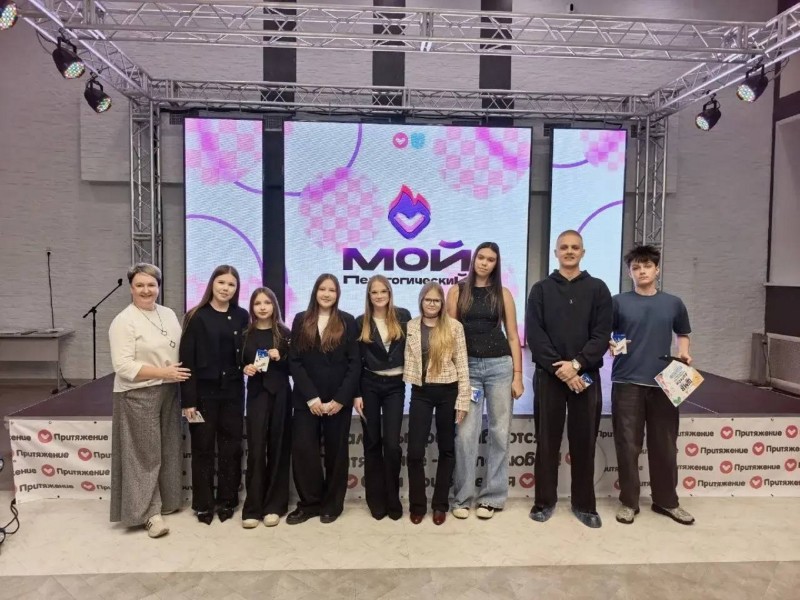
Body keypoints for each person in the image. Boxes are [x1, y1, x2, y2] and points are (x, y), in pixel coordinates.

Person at [525, 230, 612, 528]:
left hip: (585, 376)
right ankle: (544, 502)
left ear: (583, 252)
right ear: (556, 253)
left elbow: (601, 334)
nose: (570, 251)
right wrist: (561, 370)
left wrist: (576, 365)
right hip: (549, 376)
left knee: (584, 441)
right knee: (547, 441)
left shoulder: (598, 289)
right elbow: (535, 335)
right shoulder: (540, 290)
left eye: (575, 247)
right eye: (564, 247)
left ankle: (584, 505)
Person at [611, 245, 695, 526]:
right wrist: (613, 344)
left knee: (665, 445)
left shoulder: (673, 303)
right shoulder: (618, 302)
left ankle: (667, 501)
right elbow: (608, 335)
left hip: (665, 383)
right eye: (636, 267)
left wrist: (684, 353)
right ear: (629, 273)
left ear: (657, 269)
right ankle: (628, 502)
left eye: (647, 266)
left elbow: (683, 333)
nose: (642, 271)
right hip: (626, 380)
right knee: (627, 446)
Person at [109, 263, 190, 538]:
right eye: (140, 285)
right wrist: (163, 372)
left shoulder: (167, 314)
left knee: (167, 448)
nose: (146, 290)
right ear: (131, 288)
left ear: (159, 287)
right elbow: (123, 366)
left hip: (169, 389)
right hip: (138, 392)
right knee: (144, 455)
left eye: (151, 285)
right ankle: (148, 514)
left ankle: (167, 502)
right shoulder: (124, 321)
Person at [448, 242, 524, 520]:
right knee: (465, 434)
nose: (484, 263)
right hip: (467, 369)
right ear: (473, 260)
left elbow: (513, 336)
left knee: (499, 432)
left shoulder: (503, 294)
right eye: (480, 257)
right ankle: (462, 497)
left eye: (490, 259)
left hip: (500, 368)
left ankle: (492, 497)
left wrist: (518, 375)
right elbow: (451, 334)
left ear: (496, 264)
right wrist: (453, 373)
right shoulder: (457, 291)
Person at [287, 274, 360, 525]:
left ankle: (332, 505)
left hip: (338, 401)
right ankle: (309, 504)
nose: (327, 294)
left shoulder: (348, 321)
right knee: (304, 452)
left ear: (338, 294)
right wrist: (311, 398)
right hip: (307, 401)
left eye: (332, 290)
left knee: (336, 454)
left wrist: (340, 399)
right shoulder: (301, 319)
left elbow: (354, 364)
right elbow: (294, 361)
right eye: (322, 289)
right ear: (315, 292)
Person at [179, 265, 249, 525]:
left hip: (233, 392)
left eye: (231, 284)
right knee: (203, 449)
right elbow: (187, 361)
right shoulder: (196, 316)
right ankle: (203, 504)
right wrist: (188, 400)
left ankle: (228, 501)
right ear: (212, 284)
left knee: (231, 448)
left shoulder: (241, 315)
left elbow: (249, 350)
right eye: (221, 282)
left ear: (236, 289)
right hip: (203, 395)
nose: (225, 288)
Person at [403, 282, 470, 526]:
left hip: (447, 392)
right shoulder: (411, 326)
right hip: (420, 392)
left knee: (447, 449)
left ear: (442, 303)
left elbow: (462, 364)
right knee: (415, 452)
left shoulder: (454, 327)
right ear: (421, 301)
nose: (432, 304)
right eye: (427, 299)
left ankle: (440, 505)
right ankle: (417, 506)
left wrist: (463, 400)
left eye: (436, 300)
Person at [354, 275, 412, 521]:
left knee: (392, 445)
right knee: (372, 442)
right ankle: (375, 500)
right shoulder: (360, 322)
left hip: (395, 386)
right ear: (369, 296)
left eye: (383, 291)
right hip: (369, 385)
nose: (379, 296)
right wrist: (356, 393)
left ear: (390, 293)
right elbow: (356, 361)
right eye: (374, 292)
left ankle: (392, 498)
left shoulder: (404, 316)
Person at [241, 287, 292, 528]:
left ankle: (275, 506)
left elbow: (296, 367)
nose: (262, 307)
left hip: (281, 394)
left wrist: (281, 357)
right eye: (257, 303)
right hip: (256, 395)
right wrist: (245, 368)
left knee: (278, 448)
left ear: (274, 306)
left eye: (267, 303)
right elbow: (237, 362)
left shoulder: (285, 333)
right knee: (257, 449)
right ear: (252, 307)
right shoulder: (245, 334)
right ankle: (253, 507)